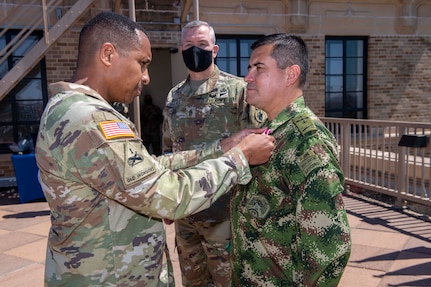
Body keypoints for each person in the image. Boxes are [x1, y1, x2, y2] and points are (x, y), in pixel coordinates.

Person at [35, 12, 274, 287]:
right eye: (142, 63)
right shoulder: (90, 120)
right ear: (108, 55)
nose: (146, 77)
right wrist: (239, 158)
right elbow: (165, 194)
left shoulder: (74, 109)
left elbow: (150, 165)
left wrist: (223, 147)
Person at [230, 34, 352, 286]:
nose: (247, 77)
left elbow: (329, 247)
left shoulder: (306, 142)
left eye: (258, 68)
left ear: (290, 74)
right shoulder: (269, 131)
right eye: (249, 68)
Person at [162, 20, 266, 287]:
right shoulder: (174, 96)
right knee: (192, 279)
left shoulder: (237, 91)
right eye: (188, 45)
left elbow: (259, 143)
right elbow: (168, 149)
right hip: (185, 213)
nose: (194, 50)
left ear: (215, 49)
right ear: (180, 48)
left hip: (226, 214)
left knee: (228, 280)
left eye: (202, 45)